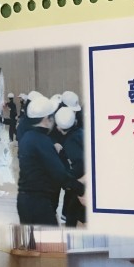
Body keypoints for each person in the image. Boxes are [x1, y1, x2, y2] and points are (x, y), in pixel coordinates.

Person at [16, 95, 85, 225]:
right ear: (46, 119)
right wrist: (81, 189)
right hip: (38, 204)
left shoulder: (27, 137)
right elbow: (60, 174)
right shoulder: (42, 141)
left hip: (24, 201)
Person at [53, 106, 85, 227]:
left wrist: (68, 180)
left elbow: (79, 166)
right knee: (72, 211)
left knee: (73, 212)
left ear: (59, 127)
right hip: (84, 182)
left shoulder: (70, 142)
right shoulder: (80, 132)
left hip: (81, 183)